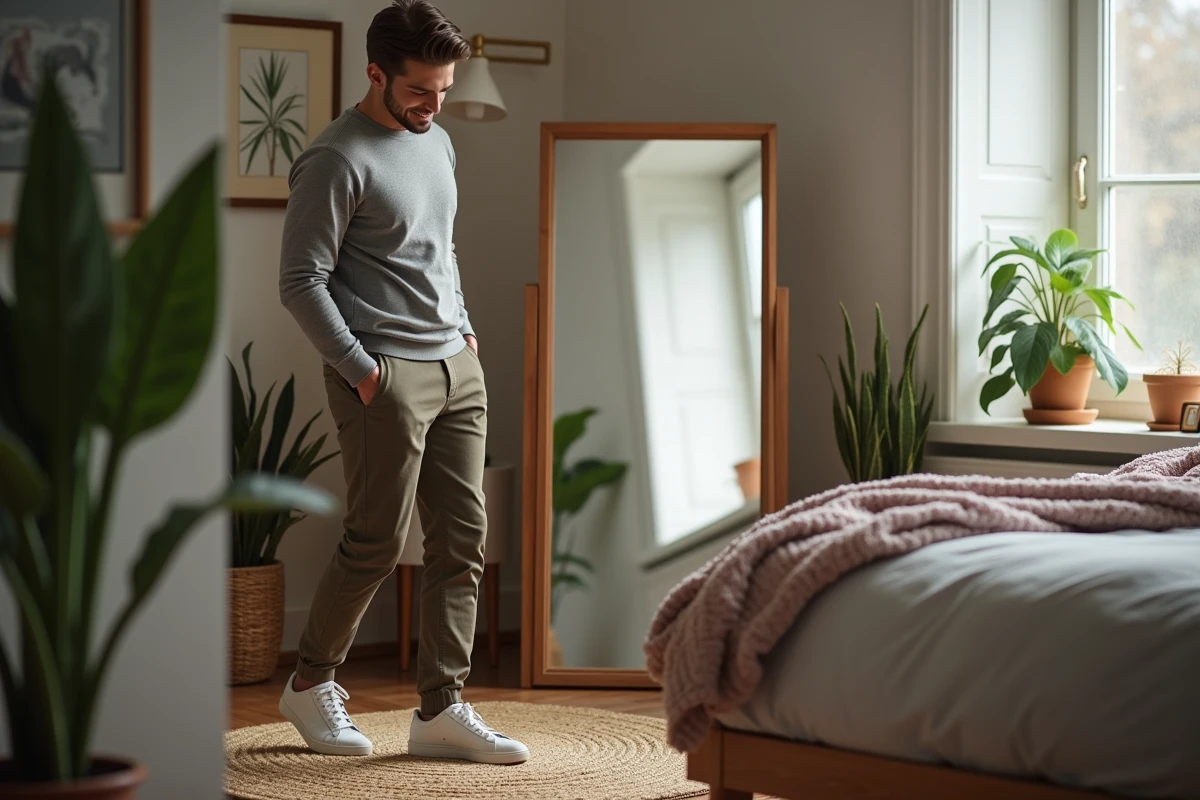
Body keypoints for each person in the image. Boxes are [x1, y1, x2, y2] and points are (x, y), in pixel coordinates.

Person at [275, 0, 528, 765]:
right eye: (419, 89)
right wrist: (361, 371)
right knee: (377, 541)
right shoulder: (335, 158)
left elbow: (439, 247)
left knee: (463, 541)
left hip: (457, 362)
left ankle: (441, 707)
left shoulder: (439, 141)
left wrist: (466, 324)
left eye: (443, 89)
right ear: (375, 73)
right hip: (384, 374)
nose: (433, 104)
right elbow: (300, 280)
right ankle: (309, 683)